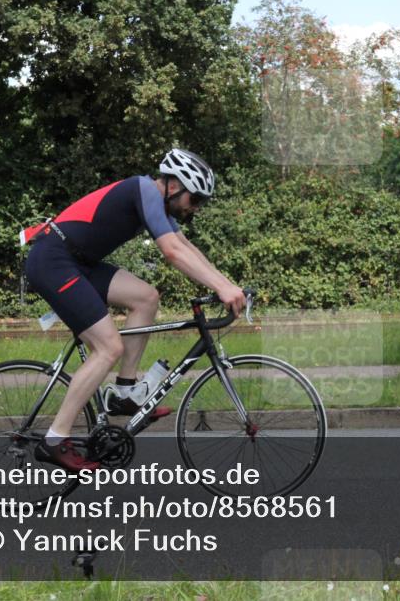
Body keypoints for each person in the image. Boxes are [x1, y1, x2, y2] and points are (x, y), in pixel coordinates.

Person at [22, 148, 246, 471]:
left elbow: (186, 247)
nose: (193, 209)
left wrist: (228, 284)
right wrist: (222, 288)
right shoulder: (142, 189)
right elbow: (171, 252)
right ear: (174, 186)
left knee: (146, 297)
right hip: (54, 261)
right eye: (194, 199)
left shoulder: (156, 203)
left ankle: (125, 393)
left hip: (78, 263)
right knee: (108, 347)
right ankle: (55, 439)